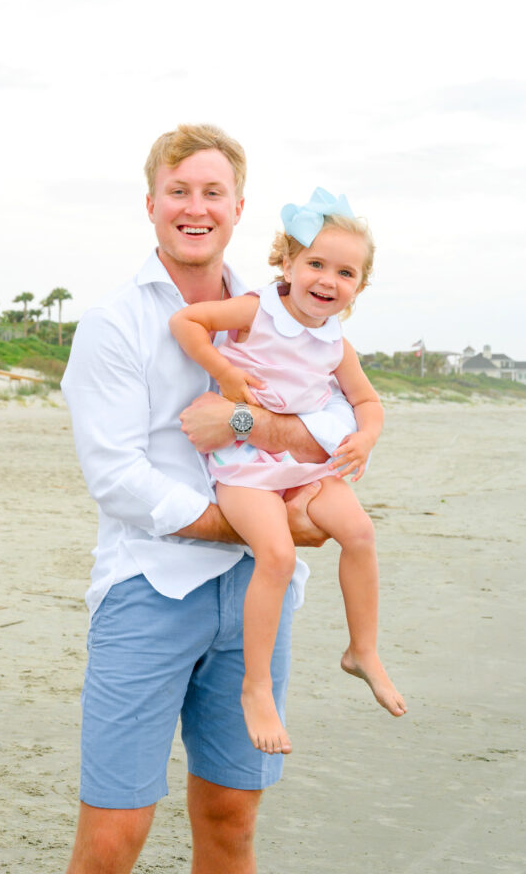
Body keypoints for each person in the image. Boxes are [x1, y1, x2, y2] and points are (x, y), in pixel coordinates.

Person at [61, 125, 358, 874]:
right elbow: (119, 479)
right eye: (179, 191)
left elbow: (335, 425)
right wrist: (257, 528)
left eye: (212, 192)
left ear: (239, 207)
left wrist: (247, 421)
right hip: (148, 589)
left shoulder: (286, 311)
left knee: (231, 820)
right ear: (153, 204)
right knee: (113, 835)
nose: (196, 207)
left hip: (257, 597)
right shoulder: (112, 322)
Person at [170, 190, 407, 756]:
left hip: (302, 466)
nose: (327, 280)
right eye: (316, 264)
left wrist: (366, 435)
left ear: (359, 287)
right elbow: (187, 322)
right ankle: (256, 688)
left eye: (345, 272)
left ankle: (362, 650)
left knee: (359, 533)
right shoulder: (259, 311)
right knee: (276, 555)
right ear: (288, 263)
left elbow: (368, 403)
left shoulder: (336, 344)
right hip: (246, 466)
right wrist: (224, 371)